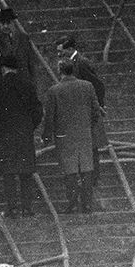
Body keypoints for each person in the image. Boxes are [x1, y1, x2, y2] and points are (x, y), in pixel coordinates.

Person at [0, 55, 43, 218]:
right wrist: (30, 127)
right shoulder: (28, 86)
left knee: (8, 173)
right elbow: (37, 111)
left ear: (3, 68)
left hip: (4, 136)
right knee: (26, 172)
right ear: (17, 68)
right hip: (24, 135)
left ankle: (12, 208)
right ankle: (27, 208)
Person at [42, 59, 102, 213]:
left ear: (60, 71)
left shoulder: (54, 91)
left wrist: (47, 135)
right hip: (84, 133)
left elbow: (50, 116)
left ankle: (72, 202)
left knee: (70, 170)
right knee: (86, 168)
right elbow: (96, 111)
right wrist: (87, 125)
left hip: (64, 135)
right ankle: (87, 203)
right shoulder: (87, 86)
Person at [56, 35, 108, 190]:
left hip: (87, 112)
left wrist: (98, 105)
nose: (59, 56)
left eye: (62, 52)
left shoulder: (82, 63)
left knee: (91, 147)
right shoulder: (69, 63)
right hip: (76, 114)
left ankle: (92, 180)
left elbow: (98, 85)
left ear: (70, 49)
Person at [0, 8, 36, 83]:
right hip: (4, 82)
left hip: (23, 81)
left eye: (8, 23)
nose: (5, 26)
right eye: (2, 23)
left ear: (13, 22)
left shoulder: (23, 38)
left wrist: (32, 83)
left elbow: (30, 62)